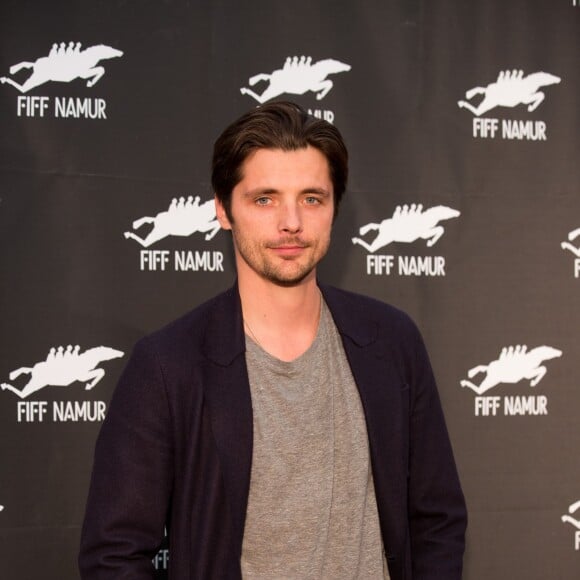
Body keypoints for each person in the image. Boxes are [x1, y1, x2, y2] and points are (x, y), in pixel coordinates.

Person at [79, 101, 467, 579]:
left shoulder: (392, 341)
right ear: (223, 210)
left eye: (311, 198)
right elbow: (113, 555)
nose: (291, 222)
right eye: (264, 199)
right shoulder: (168, 365)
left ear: (333, 209)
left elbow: (438, 520)